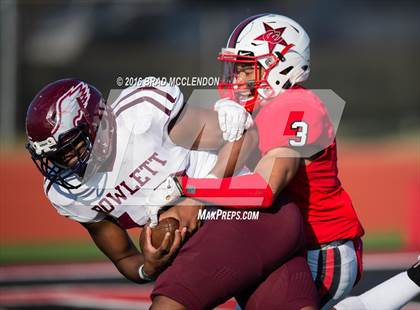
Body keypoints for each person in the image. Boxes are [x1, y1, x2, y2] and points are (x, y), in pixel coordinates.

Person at [25, 78, 319, 309]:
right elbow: (126, 259)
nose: (67, 162)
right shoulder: (66, 192)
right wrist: (149, 267)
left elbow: (245, 135)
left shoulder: (142, 114)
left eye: (72, 146)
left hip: (247, 216)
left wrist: (196, 198)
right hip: (222, 243)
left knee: (168, 305)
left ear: (95, 123)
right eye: (55, 156)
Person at [150, 14, 364, 309]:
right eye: (235, 69)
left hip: (322, 248)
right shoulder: (263, 100)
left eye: (245, 69)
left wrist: (187, 188)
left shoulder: (295, 106)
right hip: (286, 241)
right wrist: (225, 107)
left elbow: (263, 189)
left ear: (280, 67)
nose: (236, 79)